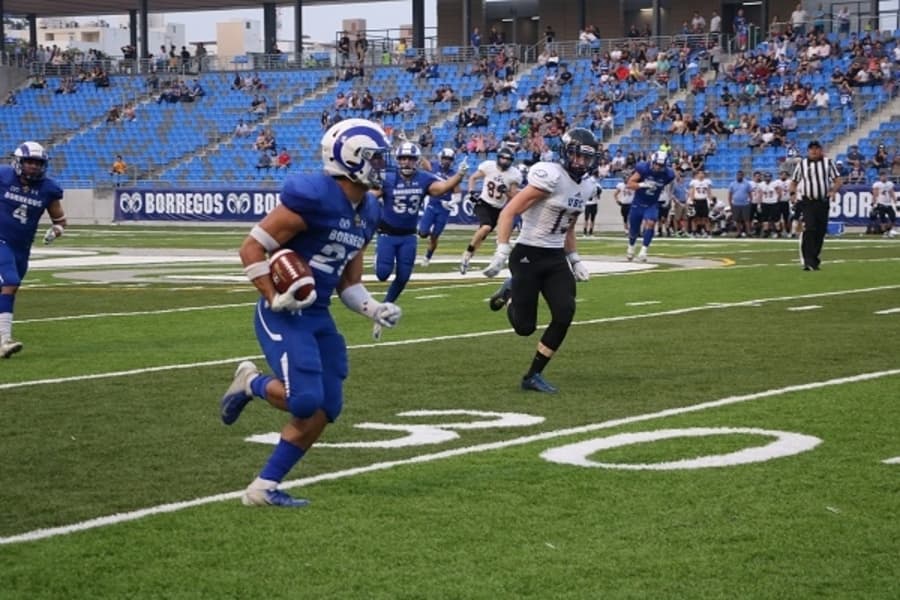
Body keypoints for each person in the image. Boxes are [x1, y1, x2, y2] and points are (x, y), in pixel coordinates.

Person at [219, 118, 402, 508]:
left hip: (318, 313)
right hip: (283, 313)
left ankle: (263, 487)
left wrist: (374, 308)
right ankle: (250, 383)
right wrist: (272, 295)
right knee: (304, 401)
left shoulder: (368, 211)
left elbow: (349, 282)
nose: (382, 166)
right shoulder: (313, 196)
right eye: (374, 158)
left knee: (326, 407)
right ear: (348, 159)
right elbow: (251, 249)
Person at [481, 128, 598, 394]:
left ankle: (533, 375)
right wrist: (502, 249)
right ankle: (510, 290)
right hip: (527, 255)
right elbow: (510, 210)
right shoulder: (550, 176)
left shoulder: (588, 185)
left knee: (565, 312)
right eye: (577, 156)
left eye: (586, 158)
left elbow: (568, 227)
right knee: (525, 327)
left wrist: (574, 258)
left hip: (555, 257)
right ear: (566, 153)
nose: (581, 162)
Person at [373, 142, 466, 339]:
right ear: (397, 160)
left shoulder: (424, 178)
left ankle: (385, 307)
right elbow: (370, 196)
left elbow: (440, 189)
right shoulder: (387, 178)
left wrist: (459, 176)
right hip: (387, 234)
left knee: (404, 276)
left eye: (410, 158)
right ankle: (377, 256)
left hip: (408, 236)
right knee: (382, 274)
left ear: (416, 161)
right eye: (403, 158)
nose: (406, 162)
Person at [0, 142, 67, 358]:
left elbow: (60, 220)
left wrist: (55, 231)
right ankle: (4, 340)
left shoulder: (48, 189)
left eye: (37, 163)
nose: (33, 167)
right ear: (18, 162)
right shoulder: (3, 176)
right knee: (10, 282)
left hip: (22, 247)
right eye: (29, 162)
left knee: (10, 288)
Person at [459, 146, 521, 274]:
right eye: (502, 158)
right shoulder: (489, 166)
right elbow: (472, 178)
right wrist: (471, 193)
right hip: (484, 203)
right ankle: (467, 254)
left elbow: (514, 196)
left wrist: (506, 191)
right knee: (486, 227)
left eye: (507, 159)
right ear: (498, 158)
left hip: (498, 209)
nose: (504, 161)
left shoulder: (514, 174)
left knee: (483, 235)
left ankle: (468, 256)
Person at [789, 140, 842, 271]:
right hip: (808, 202)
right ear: (808, 151)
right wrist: (792, 194)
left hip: (822, 202)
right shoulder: (802, 164)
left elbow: (838, 180)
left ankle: (814, 259)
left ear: (821, 150)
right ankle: (808, 261)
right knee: (809, 228)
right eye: (811, 149)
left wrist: (833, 191)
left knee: (820, 231)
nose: (814, 151)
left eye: (816, 148)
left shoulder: (828, 163)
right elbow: (794, 181)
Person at [625, 151, 675, 262]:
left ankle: (643, 251)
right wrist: (643, 184)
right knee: (633, 230)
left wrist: (667, 196)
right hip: (638, 203)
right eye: (656, 164)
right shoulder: (643, 168)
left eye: (661, 165)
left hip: (652, 204)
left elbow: (667, 185)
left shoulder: (668, 174)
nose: (658, 167)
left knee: (651, 223)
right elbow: (629, 184)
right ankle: (631, 247)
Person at [417, 148, 463, 266]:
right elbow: (421, 159)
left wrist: (450, 203)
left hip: (444, 209)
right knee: (422, 233)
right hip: (433, 204)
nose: (447, 161)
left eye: (449, 159)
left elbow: (458, 195)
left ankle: (427, 257)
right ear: (440, 158)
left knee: (435, 236)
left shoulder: (454, 174)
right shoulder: (434, 167)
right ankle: (425, 229)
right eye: (445, 158)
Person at [871, 171, 897, 238]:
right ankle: (885, 233)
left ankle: (889, 231)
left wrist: (895, 201)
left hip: (888, 204)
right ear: (880, 177)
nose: (884, 177)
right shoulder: (877, 184)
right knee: (883, 220)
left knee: (893, 219)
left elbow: (891, 192)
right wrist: (874, 204)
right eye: (882, 176)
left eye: (885, 176)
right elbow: (875, 194)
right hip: (881, 203)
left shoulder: (889, 184)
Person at [727, 170, 753, 237]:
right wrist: (730, 203)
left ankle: (749, 232)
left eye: (741, 175)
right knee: (737, 220)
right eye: (738, 175)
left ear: (743, 176)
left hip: (745, 204)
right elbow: (730, 194)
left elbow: (750, 193)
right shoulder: (732, 184)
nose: (739, 176)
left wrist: (750, 201)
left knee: (746, 219)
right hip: (736, 204)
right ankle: (739, 232)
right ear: (736, 176)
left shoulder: (747, 184)